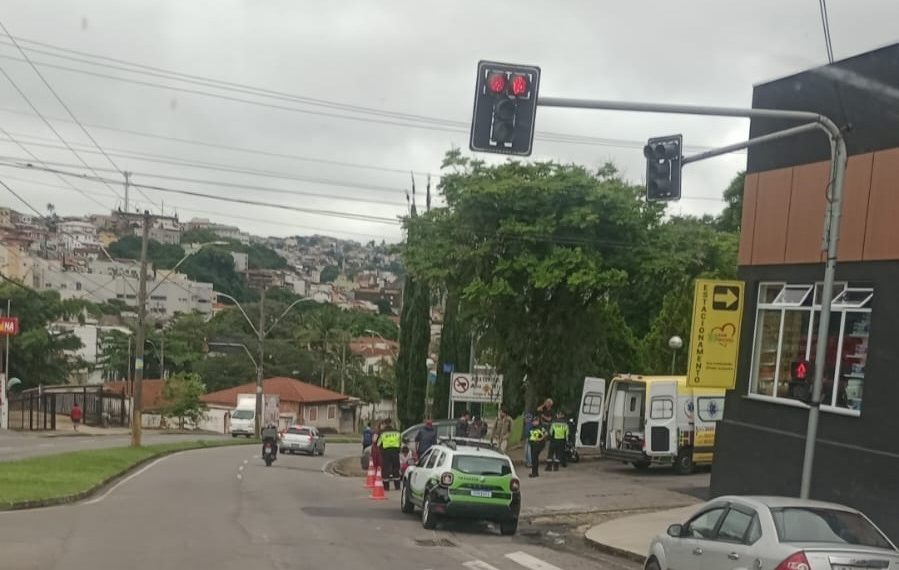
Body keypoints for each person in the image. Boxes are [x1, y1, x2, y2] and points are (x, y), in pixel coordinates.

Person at [378, 418, 402, 491]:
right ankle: (397, 486)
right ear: (391, 423)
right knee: (396, 468)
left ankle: (386, 487)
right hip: (395, 452)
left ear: (385, 424)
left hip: (386, 452)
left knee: (386, 469)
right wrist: (398, 450)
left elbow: (378, 443)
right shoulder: (397, 432)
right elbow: (400, 442)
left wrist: (382, 451)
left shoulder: (382, 433)